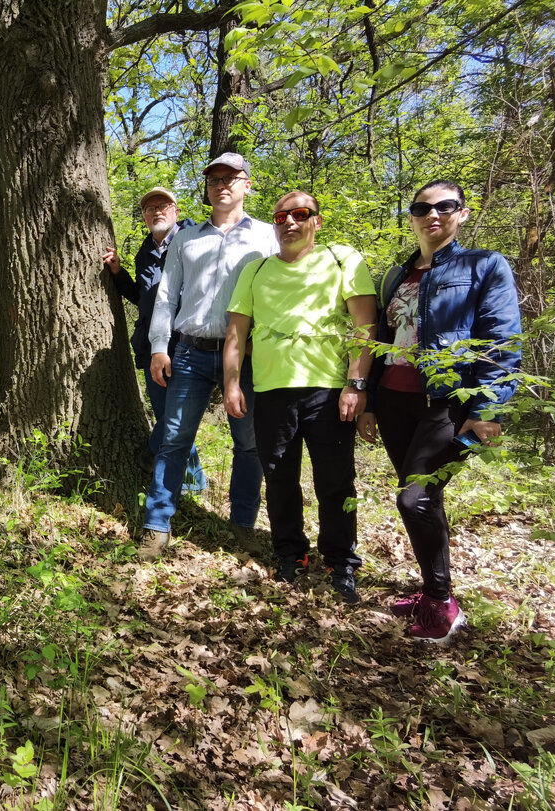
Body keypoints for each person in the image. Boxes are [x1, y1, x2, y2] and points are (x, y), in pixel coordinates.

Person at [358, 180, 521, 642]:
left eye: (444, 206)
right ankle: (433, 589)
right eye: (421, 208)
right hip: (393, 400)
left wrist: (488, 407)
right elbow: (381, 341)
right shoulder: (395, 275)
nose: (433, 215)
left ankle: (442, 607)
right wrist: (369, 396)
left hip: (446, 405)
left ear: (462, 213)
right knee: (425, 500)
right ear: (411, 217)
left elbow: (502, 339)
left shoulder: (483, 265)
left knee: (415, 497)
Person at [223, 191, 376, 603]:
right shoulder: (255, 271)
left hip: (328, 391)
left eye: (300, 214)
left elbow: (365, 327)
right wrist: (233, 384)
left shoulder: (342, 259)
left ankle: (341, 562)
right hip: (271, 390)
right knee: (279, 479)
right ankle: (290, 553)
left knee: (335, 481)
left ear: (316, 221)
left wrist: (356, 384)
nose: (289, 222)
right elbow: (237, 333)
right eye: (281, 216)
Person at [140, 152, 278, 561]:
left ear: (246, 184)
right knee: (173, 439)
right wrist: (159, 347)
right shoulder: (187, 237)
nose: (222, 185)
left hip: (248, 357)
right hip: (189, 353)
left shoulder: (268, 236)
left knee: (249, 443)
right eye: (214, 179)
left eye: (231, 178)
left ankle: (243, 526)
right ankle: (156, 525)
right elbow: (166, 295)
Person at [103, 186, 208, 491]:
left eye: (163, 205)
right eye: (150, 209)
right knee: (167, 415)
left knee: (177, 418)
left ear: (176, 210)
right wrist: (119, 273)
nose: (157, 211)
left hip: (188, 345)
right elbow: (143, 297)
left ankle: (150, 454)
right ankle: (195, 483)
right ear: (145, 219)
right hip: (153, 347)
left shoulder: (195, 241)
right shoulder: (145, 252)